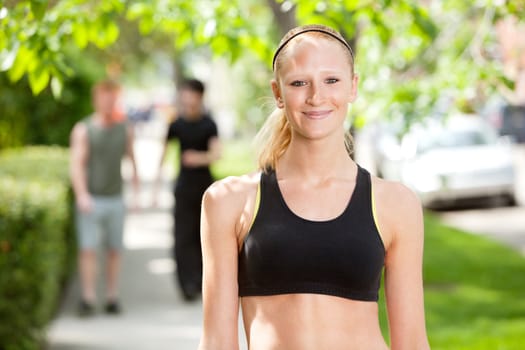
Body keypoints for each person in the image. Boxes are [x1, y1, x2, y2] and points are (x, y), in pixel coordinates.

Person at [198, 24, 430, 349]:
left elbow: (412, 343)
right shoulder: (229, 201)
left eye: (331, 80)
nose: (316, 96)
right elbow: (216, 343)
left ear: (353, 87)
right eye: (298, 83)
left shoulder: (395, 203)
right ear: (278, 92)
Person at [70, 79, 139, 316]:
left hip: (115, 199)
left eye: (112, 97)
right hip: (91, 200)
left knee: (114, 250)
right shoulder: (84, 129)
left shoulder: (125, 128)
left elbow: (132, 160)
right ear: (96, 99)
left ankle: (111, 296)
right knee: (87, 249)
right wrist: (82, 195)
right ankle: (88, 297)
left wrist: (137, 194)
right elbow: (77, 165)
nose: (108, 101)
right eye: (104, 97)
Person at [155, 78, 221, 301]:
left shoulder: (209, 124)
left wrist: (197, 158)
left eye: (191, 93)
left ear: (200, 96)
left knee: (203, 235)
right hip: (183, 188)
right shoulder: (176, 124)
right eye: (184, 93)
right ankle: (187, 285)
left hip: (205, 188)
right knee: (182, 237)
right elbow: (162, 154)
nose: (187, 98)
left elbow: (216, 154)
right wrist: (155, 187)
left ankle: (203, 281)